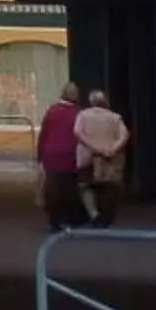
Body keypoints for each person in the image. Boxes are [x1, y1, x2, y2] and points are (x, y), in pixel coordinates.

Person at [76, 87, 132, 226]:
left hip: (89, 156)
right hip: (110, 158)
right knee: (109, 186)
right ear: (105, 102)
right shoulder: (115, 117)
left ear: (91, 102)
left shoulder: (83, 115)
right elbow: (125, 135)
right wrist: (113, 149)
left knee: (85, 186)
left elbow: (77, 132)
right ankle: (106, 216)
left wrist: (93, 147)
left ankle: (94, 214)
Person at [37, 82, 87, 232]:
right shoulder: (79, 113)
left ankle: (55, 220)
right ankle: (71, 219)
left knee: (53, 188)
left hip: (51, 153)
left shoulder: (52, 111)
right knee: (69, 187)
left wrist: (39, 155)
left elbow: (44, 134)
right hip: (70, 153)